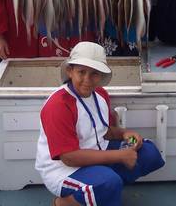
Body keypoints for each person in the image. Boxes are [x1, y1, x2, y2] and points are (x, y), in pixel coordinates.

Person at [35, 41, 164, 206]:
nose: (87, 80)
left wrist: (125, 134)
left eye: (94, 73)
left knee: (149, 153)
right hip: (64, 170)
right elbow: (68, 157)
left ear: (101, 76)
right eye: (81, 72)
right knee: (108, 182)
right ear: (70, 71)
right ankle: (66, 202)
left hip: (98, 152)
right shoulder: (58, 105)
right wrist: (120, 156)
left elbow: (105, 132)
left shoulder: (100, 94)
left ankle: (103, 186)